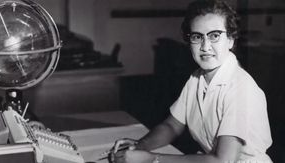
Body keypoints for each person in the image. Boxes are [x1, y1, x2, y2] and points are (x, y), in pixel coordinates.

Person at [111, 0, 273, 162]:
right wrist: (140, 146)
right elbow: (172, 126)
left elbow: (223, 161)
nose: (205, 46)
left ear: (230, 40)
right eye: (197, 37)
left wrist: (151, 159)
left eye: (214, 36)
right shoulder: (197, 78)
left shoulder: (240, 88)